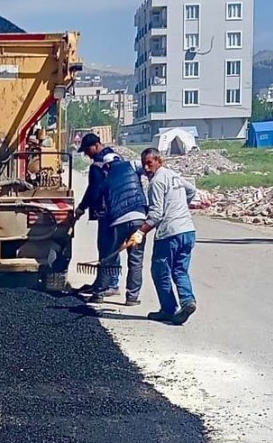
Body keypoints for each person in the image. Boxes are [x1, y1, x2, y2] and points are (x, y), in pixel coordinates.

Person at [74, 133, 148, 305]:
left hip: (113, 217)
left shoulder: (99, 168)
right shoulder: (126, 164)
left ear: (97, 145)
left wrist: (81, 208)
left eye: (87, 150)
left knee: (107, 251)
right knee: (135, 257)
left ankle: (102, 289)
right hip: (138, 219)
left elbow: (95, 191)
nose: (86, 154)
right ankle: (131, 296)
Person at [138, 148, 201, 324]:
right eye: (144, 164)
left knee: (160, 272)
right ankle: (188, 301)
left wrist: (140, 232)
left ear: (160, 161)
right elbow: (191, 190)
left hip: (169, 234)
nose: (147, 168)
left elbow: (156, 214)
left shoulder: (156, 182)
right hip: (188, 230)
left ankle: (168, 309)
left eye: (149, 163)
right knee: (180, 270)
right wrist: (181, 208)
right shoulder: (173, 175)